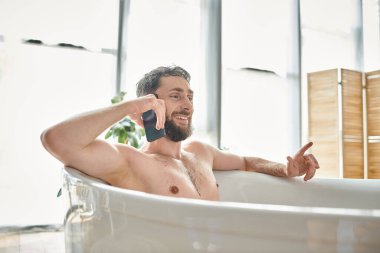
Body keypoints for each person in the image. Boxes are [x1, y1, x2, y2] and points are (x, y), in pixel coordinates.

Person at [41, 66, 319, 201]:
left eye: (190, 96)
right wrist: (131, 106)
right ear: (148, 106)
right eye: (176, 96)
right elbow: (56, 140)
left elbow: (246, 162)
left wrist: (285, 169)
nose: (187, 105)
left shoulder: (200, 152)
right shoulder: (130, 161)